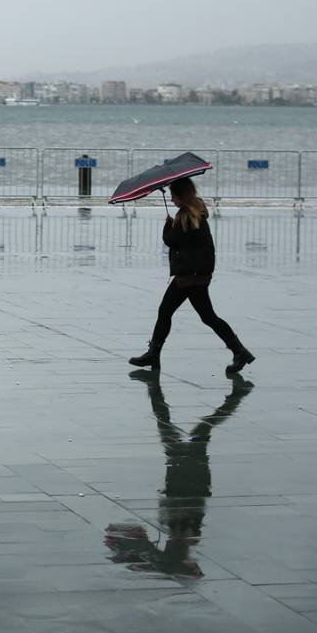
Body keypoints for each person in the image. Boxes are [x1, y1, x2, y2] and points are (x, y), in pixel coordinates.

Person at [104, 370, 253, 578]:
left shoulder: (184, 534)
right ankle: (236, 396)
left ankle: (235, 396)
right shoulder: (183, 532)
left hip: (190, 477)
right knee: (195, 428)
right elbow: (181, 502)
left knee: (191, 428)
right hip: (188, 475)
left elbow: (187, 502)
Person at [129, 177, 254, 373]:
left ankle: (240, 351)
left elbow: (172, 240)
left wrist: (167, 226)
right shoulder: (195, 211)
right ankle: (239, 351)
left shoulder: (187, 216)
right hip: (194, 273)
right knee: (193, 314)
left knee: (184, 313)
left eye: (173, 197)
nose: (172, 201)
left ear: (181, 196)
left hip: (190, 276)